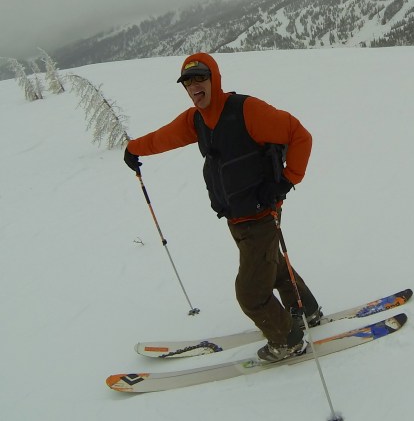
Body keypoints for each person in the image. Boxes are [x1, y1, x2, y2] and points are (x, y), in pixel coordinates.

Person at [123, 52, 320, 362]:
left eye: (200, 78)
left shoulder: (247, 110)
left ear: (214, 78)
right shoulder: (197, 120)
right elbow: (164, 138)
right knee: (269, 264)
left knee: (251, 294)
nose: (194, 86)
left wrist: (285, 182)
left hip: (261, 212)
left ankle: (288, 340)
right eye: (187, 81)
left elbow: (300, 136)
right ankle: (306, 309)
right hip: (236, 215)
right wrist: (133, 148)